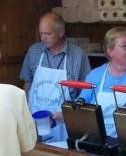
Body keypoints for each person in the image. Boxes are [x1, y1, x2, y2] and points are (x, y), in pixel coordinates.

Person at [20, 12, 91, 142]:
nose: (43, 38)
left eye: (47, 34)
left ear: (61, 32)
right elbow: (27, 82)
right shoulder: (34, 51)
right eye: (41, 34)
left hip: (64, 124)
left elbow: (86, 92)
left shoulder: (78, 55)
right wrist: (24, 112)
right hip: (35, 118)